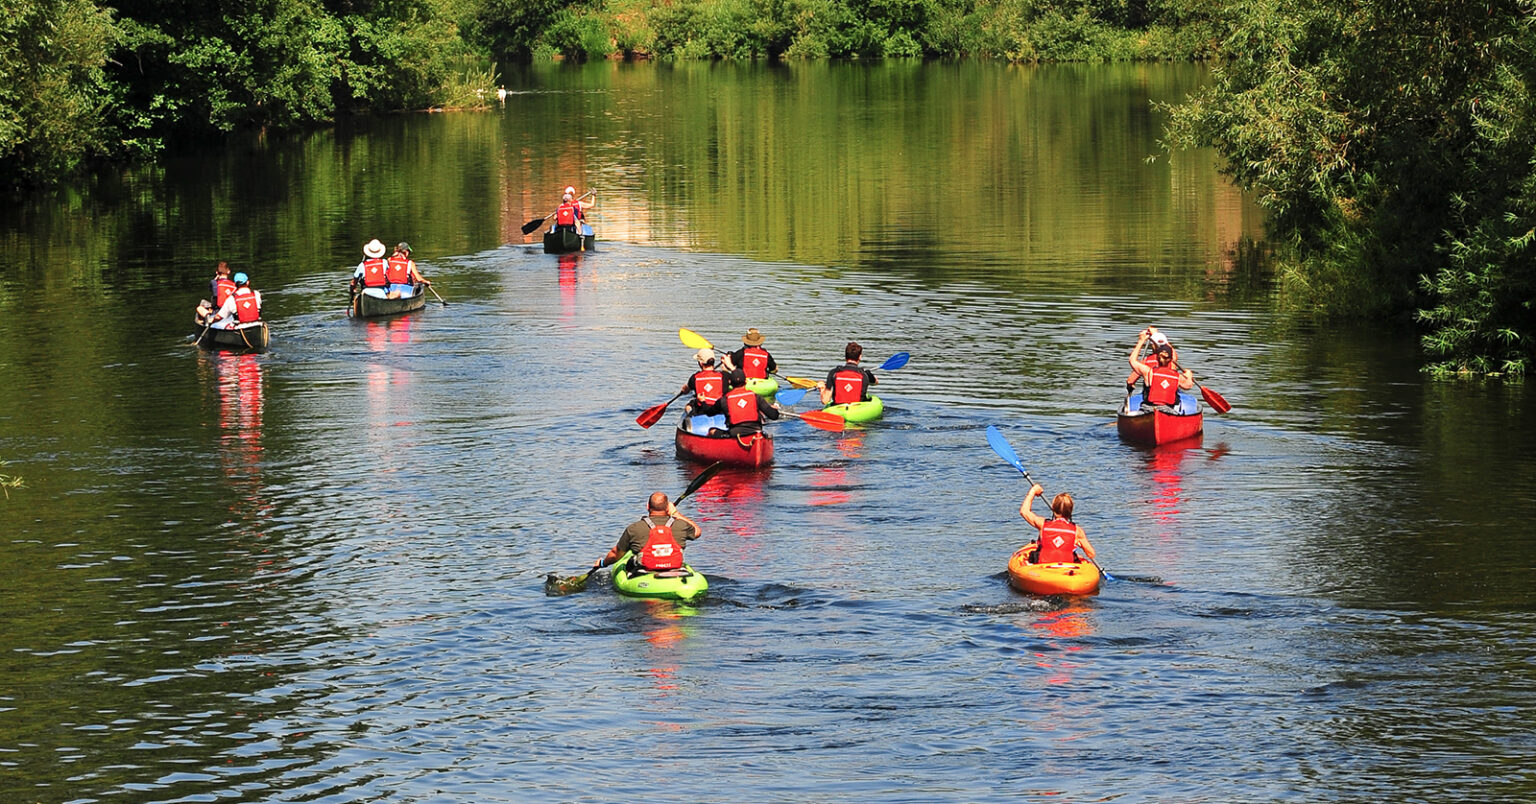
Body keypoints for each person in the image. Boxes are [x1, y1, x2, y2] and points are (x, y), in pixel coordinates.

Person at [594, 491, 703, 574]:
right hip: (675, 571)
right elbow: (697, 531)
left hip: (645, 572)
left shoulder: (634, 528)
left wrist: (603, 563)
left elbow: (615, 554)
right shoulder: (681, 525)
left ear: (648, 507)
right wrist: (676, 513)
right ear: (667, 508)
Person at [1019, 483, 1097, 565]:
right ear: (1070, 510)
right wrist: (1078, 543)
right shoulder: (1077, 531)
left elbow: (1024, 511)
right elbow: (1091, 554)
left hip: (1043, 567)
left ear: (1054, 508)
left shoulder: (1043, 524)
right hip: (1066, 569)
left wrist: (1033, 491)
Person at [1128, 328, 1194, 413]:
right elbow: (1188, 385)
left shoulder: (1148, 371)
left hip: (1148, 409)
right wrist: (1189, 376)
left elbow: (1132, 361)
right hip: (1168, 410)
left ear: (1157, 358)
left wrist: (1141, 341)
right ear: (1171, 359)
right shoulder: (1176, 374)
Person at [709, 369, 780, 437]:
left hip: (734, 435)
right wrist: (772, 409)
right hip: (756, 433)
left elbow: (710, 412)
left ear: (730, 383)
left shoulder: (724, 400)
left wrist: (702, 402)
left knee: (712, 431)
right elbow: (774, 416)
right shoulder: (756, 397)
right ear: (746, 382)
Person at [819, 341, 879, 407]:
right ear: (860, 357)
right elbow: (876, 382)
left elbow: (825, 401)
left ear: (845, 356)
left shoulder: (833, 373)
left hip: (838, 408)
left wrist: (822, 388)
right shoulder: (865, 374)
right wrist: (869, 376)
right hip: (858, 409)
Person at [1125, 326, 1179, 394]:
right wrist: (1157, 335)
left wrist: (1141, 341)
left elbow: (1130, 380)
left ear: (1152, 346)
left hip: (1151, 396)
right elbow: (1173, 354)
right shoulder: (1172, 361)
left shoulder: (1146, 362)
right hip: (1170, 395)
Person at [682, 348, 725, 416]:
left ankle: (690, 419)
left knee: (688, 406)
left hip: (701, 409)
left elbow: (686, 390)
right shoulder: (723, 376)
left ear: (701, 363)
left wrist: (684, 389)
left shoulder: (695, 377)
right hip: (719, 408)